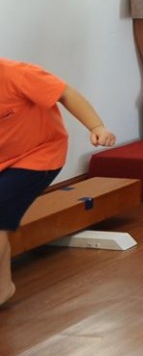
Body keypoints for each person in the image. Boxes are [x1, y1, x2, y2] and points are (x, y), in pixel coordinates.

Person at [0, 59, 117, 310]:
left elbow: (66, 94)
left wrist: (96, 126)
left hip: (39, 155)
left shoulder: (17, 74)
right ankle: (3, 287)